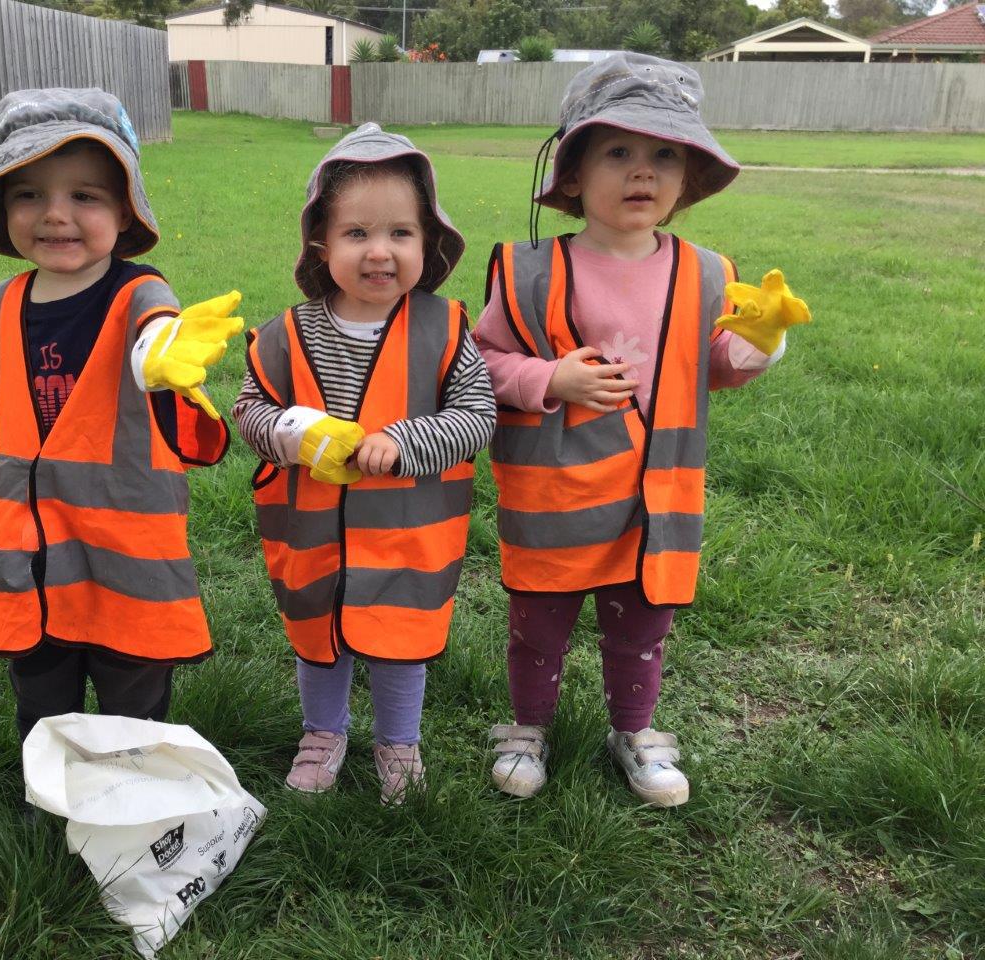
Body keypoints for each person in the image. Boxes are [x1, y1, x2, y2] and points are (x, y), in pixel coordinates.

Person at [475, 54, 799, 806]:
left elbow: (709, 365)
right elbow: (484, 362)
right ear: (574, 173)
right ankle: (529, 727)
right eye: (617, 152)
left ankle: (636, 729)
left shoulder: (706, 272)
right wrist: (549, 378)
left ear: (687, 180)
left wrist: (762, 341)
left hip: (658, 494)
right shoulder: (530, 272)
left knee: (641, 622)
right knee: (540, 624)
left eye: (663, 155)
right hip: (558, 493)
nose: (641, 172)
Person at [0, 88, 243, 747]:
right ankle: (50, 786)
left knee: (130, 692)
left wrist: (166, 353)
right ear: (2, 208)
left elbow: (153, 341)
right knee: (41, 689)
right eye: (29, 195)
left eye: (85, 195)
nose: (56, 215)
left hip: (123, 553)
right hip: (34, 552)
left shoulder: (141, 294)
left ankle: (128, 788)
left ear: (124, 208)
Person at [233, 124, 496, 804]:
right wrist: (292, 433)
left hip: (409, 538)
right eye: (357, 234)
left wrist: (407, 442)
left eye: (401, 234)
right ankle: (323, 732)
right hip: (312, 536)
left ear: (428, 242)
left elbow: (477, 416)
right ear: (322, 243)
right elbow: (250, 413)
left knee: (402, 642)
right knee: (320, 640)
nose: (379, 252)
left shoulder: (445, 329)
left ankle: (397, 741)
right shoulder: (288, 334)